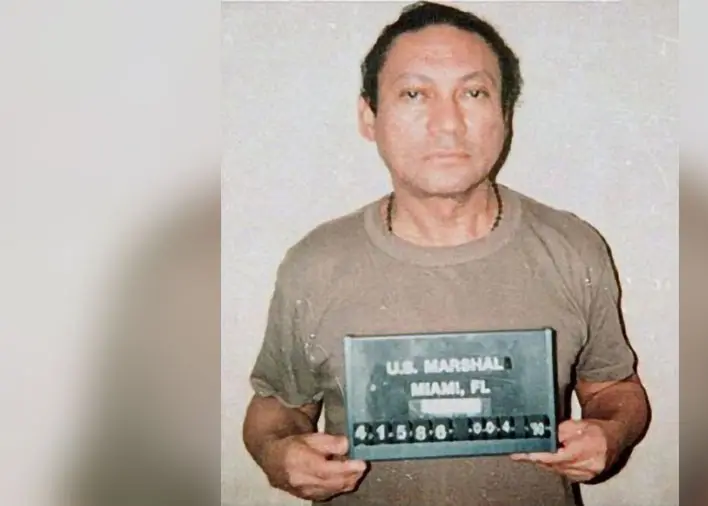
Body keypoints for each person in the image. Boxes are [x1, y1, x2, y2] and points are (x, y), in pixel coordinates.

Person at [241, 2, 650, 505]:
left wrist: (611, 433)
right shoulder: (314, 265)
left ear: (505, 114)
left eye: (473, 93)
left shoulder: (573, 248)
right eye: (414, 94)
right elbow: (277, 407)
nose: (448, 123)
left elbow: (614, 389)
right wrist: (278, 454)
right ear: (369, 116)